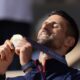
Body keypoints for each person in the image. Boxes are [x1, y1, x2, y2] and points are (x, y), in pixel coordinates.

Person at [0, 10, 80, 80]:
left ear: (69, 41)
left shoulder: (74, 76)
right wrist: (1, 70)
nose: (44, 26)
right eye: (43, 24)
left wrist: (28, 66)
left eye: (54, 25)